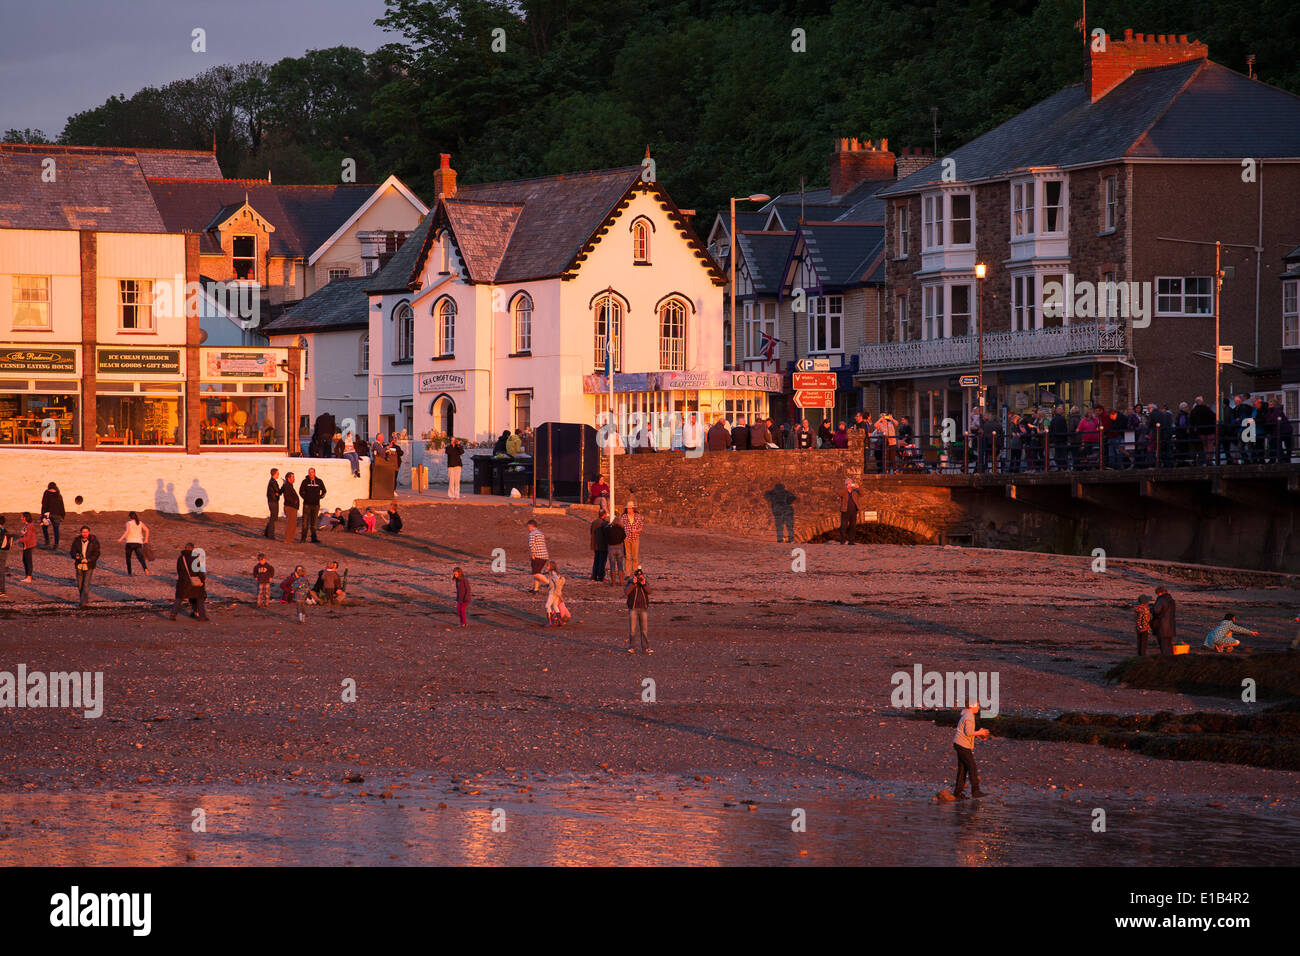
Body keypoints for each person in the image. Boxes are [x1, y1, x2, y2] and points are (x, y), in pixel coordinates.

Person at [952, 700, 990, 799]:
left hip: (959, 743)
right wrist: (980, 732)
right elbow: (968, 733)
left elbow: (966, 732)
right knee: (972, 767)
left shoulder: (966, 714)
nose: (978, 707)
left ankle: (957, 793)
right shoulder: (969, 716)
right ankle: (975, 791)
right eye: (977, 705)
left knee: (963, 769)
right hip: (962, 745)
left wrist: (978, 735)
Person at [170, 542, 208, 621]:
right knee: (199, 598)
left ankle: (173, 615)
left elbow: (179, 570)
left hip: (183, 582)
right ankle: (202, 617)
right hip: (194, 581)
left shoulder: (181, 558)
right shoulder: (195, 558)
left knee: (179, 598)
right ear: (193, 548)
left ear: (185, 548)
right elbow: (199, 571)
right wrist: (202, 579)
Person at [69, 525, 100, 607]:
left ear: (89, 532)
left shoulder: (94, 541)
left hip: (89, 565)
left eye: (86, 532)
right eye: (83, 532)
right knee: (79, 584)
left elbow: (97, 553)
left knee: (86, 583)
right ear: (81, 532)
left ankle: (83, 602)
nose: (85, 534)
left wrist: (88, 560)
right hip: (79, 564)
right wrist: (76, 556)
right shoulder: (76, 541)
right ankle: (83, 599)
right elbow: (72, 552)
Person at [624, 567, 652, 654]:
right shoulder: (630, 582)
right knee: (632, 630)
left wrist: (644, 584)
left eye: (641, 575)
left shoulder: (644, 581)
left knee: (644, 630)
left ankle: (645, 648)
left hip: (643, 609)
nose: (639, 577)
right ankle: (632, 647)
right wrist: (633, 584)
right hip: (633, 609)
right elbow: (626, 592)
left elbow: (650, 591)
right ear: (634, 576)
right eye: (638, 575)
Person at [117, 511, 151, 576]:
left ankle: (129, 573)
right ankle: (145, 568)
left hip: (130, 542)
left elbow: (127, 531)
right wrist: (146, 539)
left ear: (130, 517)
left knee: (128, 558)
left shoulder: (128, 523)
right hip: (138, 542)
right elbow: (147, 530)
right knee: (140, 557)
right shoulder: (140, 523)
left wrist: (121, 539)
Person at [298, 468, 327, 543]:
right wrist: (306, 498)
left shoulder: (319, 481)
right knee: (305, 522)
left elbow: (324, 491)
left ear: (314, 473)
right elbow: (301, 491)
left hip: (316, 505)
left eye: (312, 472)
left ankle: (314, 538)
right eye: (309, 472)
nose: (310, 474)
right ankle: (303, 538)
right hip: (307, 505)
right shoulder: (305, 481)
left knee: (313, 523)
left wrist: (319, 497)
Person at [1150, 586, 1177, 655]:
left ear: (1159, 593)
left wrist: (1151, 609)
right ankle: (1170, 660)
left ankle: (1165, 660)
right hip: (1170, 626)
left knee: (1163, 645)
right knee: (1169, 645)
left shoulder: (1161, 600)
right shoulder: (1171, 600)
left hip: (1162, 626)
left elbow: (1156, 610)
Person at [543, 561, 570, 626]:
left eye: (548, 566)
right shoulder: (556, 573)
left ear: (551, 566)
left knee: (547, 606)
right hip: (556, 592)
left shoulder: (552, 573)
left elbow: (557, 581)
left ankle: (550, 622)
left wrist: (557, 591)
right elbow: (561, 580)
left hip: (553, 592)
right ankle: (560, 621)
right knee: (555, 606)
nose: (547, 567)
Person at [41, 482, 66, 548]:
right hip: (57, 515)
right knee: (56, 529)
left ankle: (47, 542)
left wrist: (42, 515)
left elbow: (44, 505)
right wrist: (62, 515)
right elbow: (62, 506)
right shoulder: (59, 495)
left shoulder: (47, 493)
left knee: (44, 527)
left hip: (48, 515)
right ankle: (56, 544)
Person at [527, 519, 549, 592]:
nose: (528, 528)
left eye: (528, 527)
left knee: (535, 573)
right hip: (544, 555)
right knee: (538, 572)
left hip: (537, 555)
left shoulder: (532, 534)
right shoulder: (541, 533)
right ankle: (536, 589)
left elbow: (532, 545)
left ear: (531, 526)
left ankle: (550, 583)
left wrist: (532, 554)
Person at [622, 502, 645, 571]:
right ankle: (627, 573)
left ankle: (635, 572)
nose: (628, 510)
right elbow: (621, 527)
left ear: (633, 509)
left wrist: (636, 531)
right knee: (627, 557)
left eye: (630, 508)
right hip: (626, 538)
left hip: (635, 538)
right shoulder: (624, 517)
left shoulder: (638, 517)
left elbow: (641, 528)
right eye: (628, 508)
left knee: (635, 557)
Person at [606, 513, 627, 586]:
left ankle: (613, 583)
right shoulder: (621, 529)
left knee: (612, 565)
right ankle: (621, 582)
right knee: (620, 565)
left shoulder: (609, 529)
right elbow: (624, 537)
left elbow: (605, 536)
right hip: (619, 547)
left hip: (611, 548)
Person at [590, 509, 610, 582]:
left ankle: (594, 576)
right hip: (603, 545)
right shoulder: (605, 523)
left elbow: (591, 532)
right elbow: (607, 534)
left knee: (596, 560)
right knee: (602, 561)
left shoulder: (594, 522)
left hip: (595, 545)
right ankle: (600, 577)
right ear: (604, 515)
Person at [838, 478, 859, 545]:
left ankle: (851, 541)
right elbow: (839, 494)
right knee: (843, 526)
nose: (849, 485)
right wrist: (846, 488)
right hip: (845, 510)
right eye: (847, 483)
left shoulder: (855, 491)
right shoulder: (844, 491)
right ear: (845, 484)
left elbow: (862, 494)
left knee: (853, 526)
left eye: (850, 483)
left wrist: (858, 487)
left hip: (853, 511)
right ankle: (842, 540)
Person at [280, 472, 299, 544]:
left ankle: (290, 538)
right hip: (290, 507)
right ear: (289, 478)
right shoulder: (287, 486)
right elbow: (287, 496)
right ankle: (288, 539)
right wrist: (294, 502)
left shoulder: (288, 485)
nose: (294, 479)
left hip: (292, 507)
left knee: (293, 523)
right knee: (290, 523)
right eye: (293, 477)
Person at [19, 512, 38, 582]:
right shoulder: (27, 525)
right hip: (27, 545)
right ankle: (28, 576)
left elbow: (28, 537)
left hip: (29, 545)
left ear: (26, 518)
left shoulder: (29, 526)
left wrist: (19, 540)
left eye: (22, 517)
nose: (21, 518)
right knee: (25, 560)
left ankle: (29, 577)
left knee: (28, 561)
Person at [264, 468, 282, 539]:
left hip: (271, 501)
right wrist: (283, 487)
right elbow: (278, 491)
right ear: (274, 474)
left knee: (273, 517)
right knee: (273, 518)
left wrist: (278, 493)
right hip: (273, 501)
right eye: (277, 473)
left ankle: (267, 532)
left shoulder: (271, 481)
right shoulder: (273, 482)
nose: (278, 475)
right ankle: (270, 534)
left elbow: (277, 492)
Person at [0, 514, 10, 599]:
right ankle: (2, 591)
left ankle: (1, 590)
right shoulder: (6, 531)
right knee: (1, 572)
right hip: (5, 553)